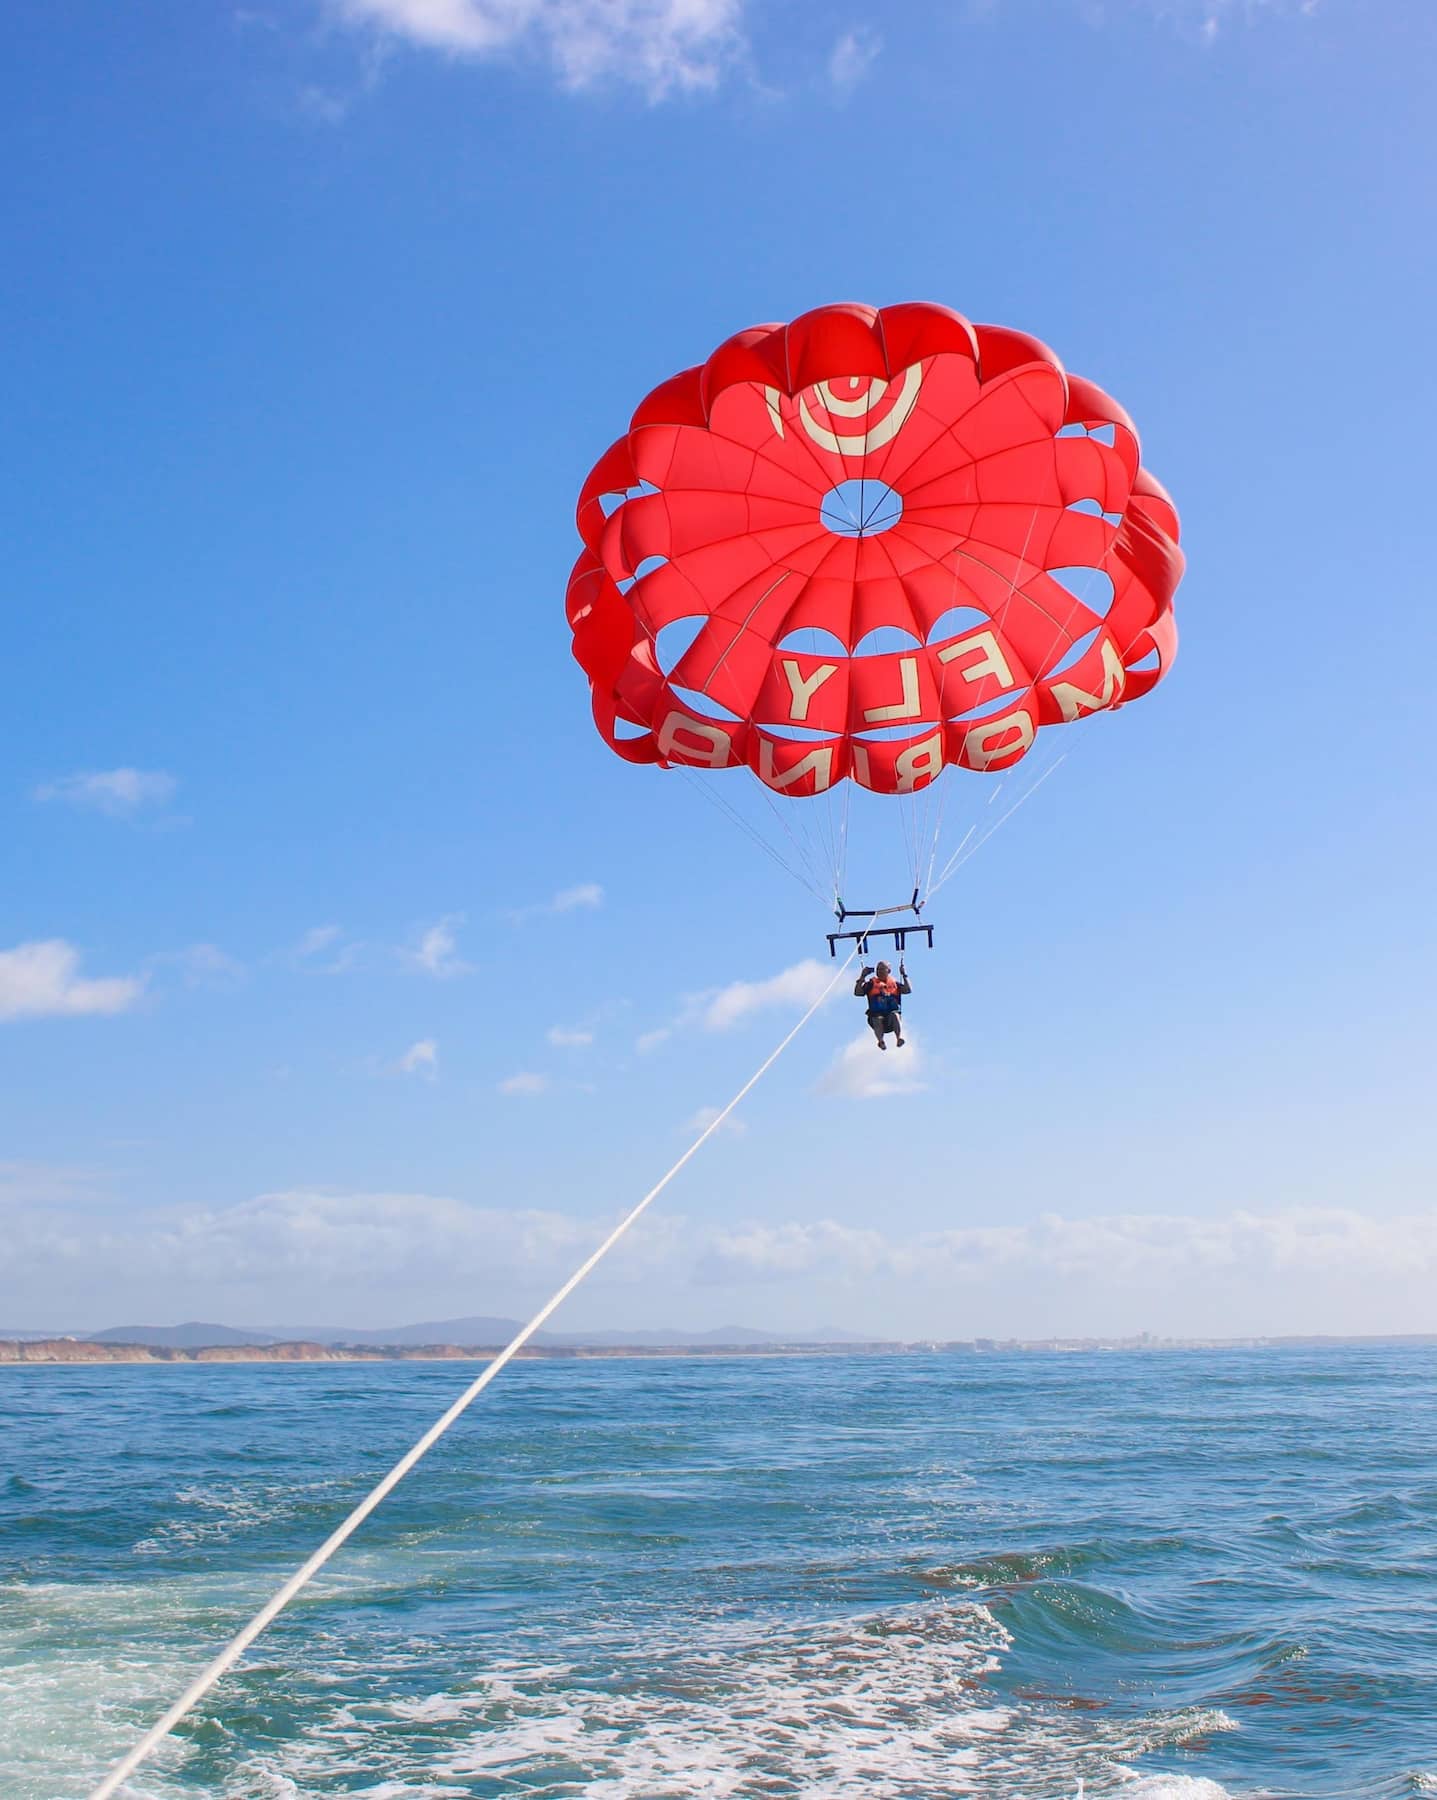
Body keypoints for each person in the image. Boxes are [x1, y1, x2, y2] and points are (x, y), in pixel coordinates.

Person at [854, 958, 910, 1050]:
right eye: (877, 969)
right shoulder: (871, 984)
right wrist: (862, 977)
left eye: (881, 969)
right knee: (877, 1018)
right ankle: (881, 1041)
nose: (879, 971)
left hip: (890, 1020)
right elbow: (858, 993)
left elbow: (908, 990)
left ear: (888, 971)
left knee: (895, 1015)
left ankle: (899, 1038)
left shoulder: (895, 984)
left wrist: (904, 974)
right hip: (876, 1017)